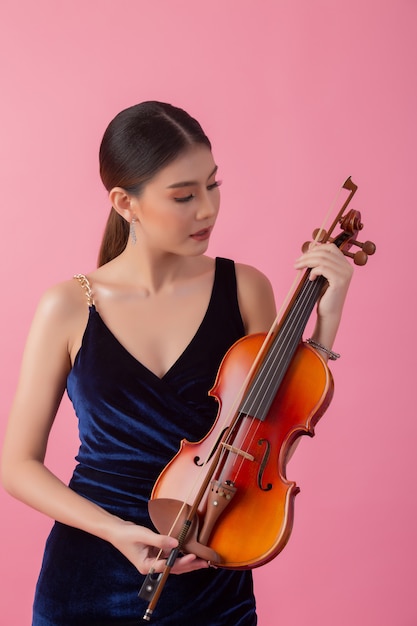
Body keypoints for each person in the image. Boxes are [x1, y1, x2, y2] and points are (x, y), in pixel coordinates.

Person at [1, 101, 353, 625]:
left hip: (211, 572)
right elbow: (17, 465)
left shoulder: (245, 288)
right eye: (184, 195)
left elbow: (267, 438)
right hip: (88, 575)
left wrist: (326, 320)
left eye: (213, 185)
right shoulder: (69, 306)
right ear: (125, 202)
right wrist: (117, 532)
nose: (207, 210)